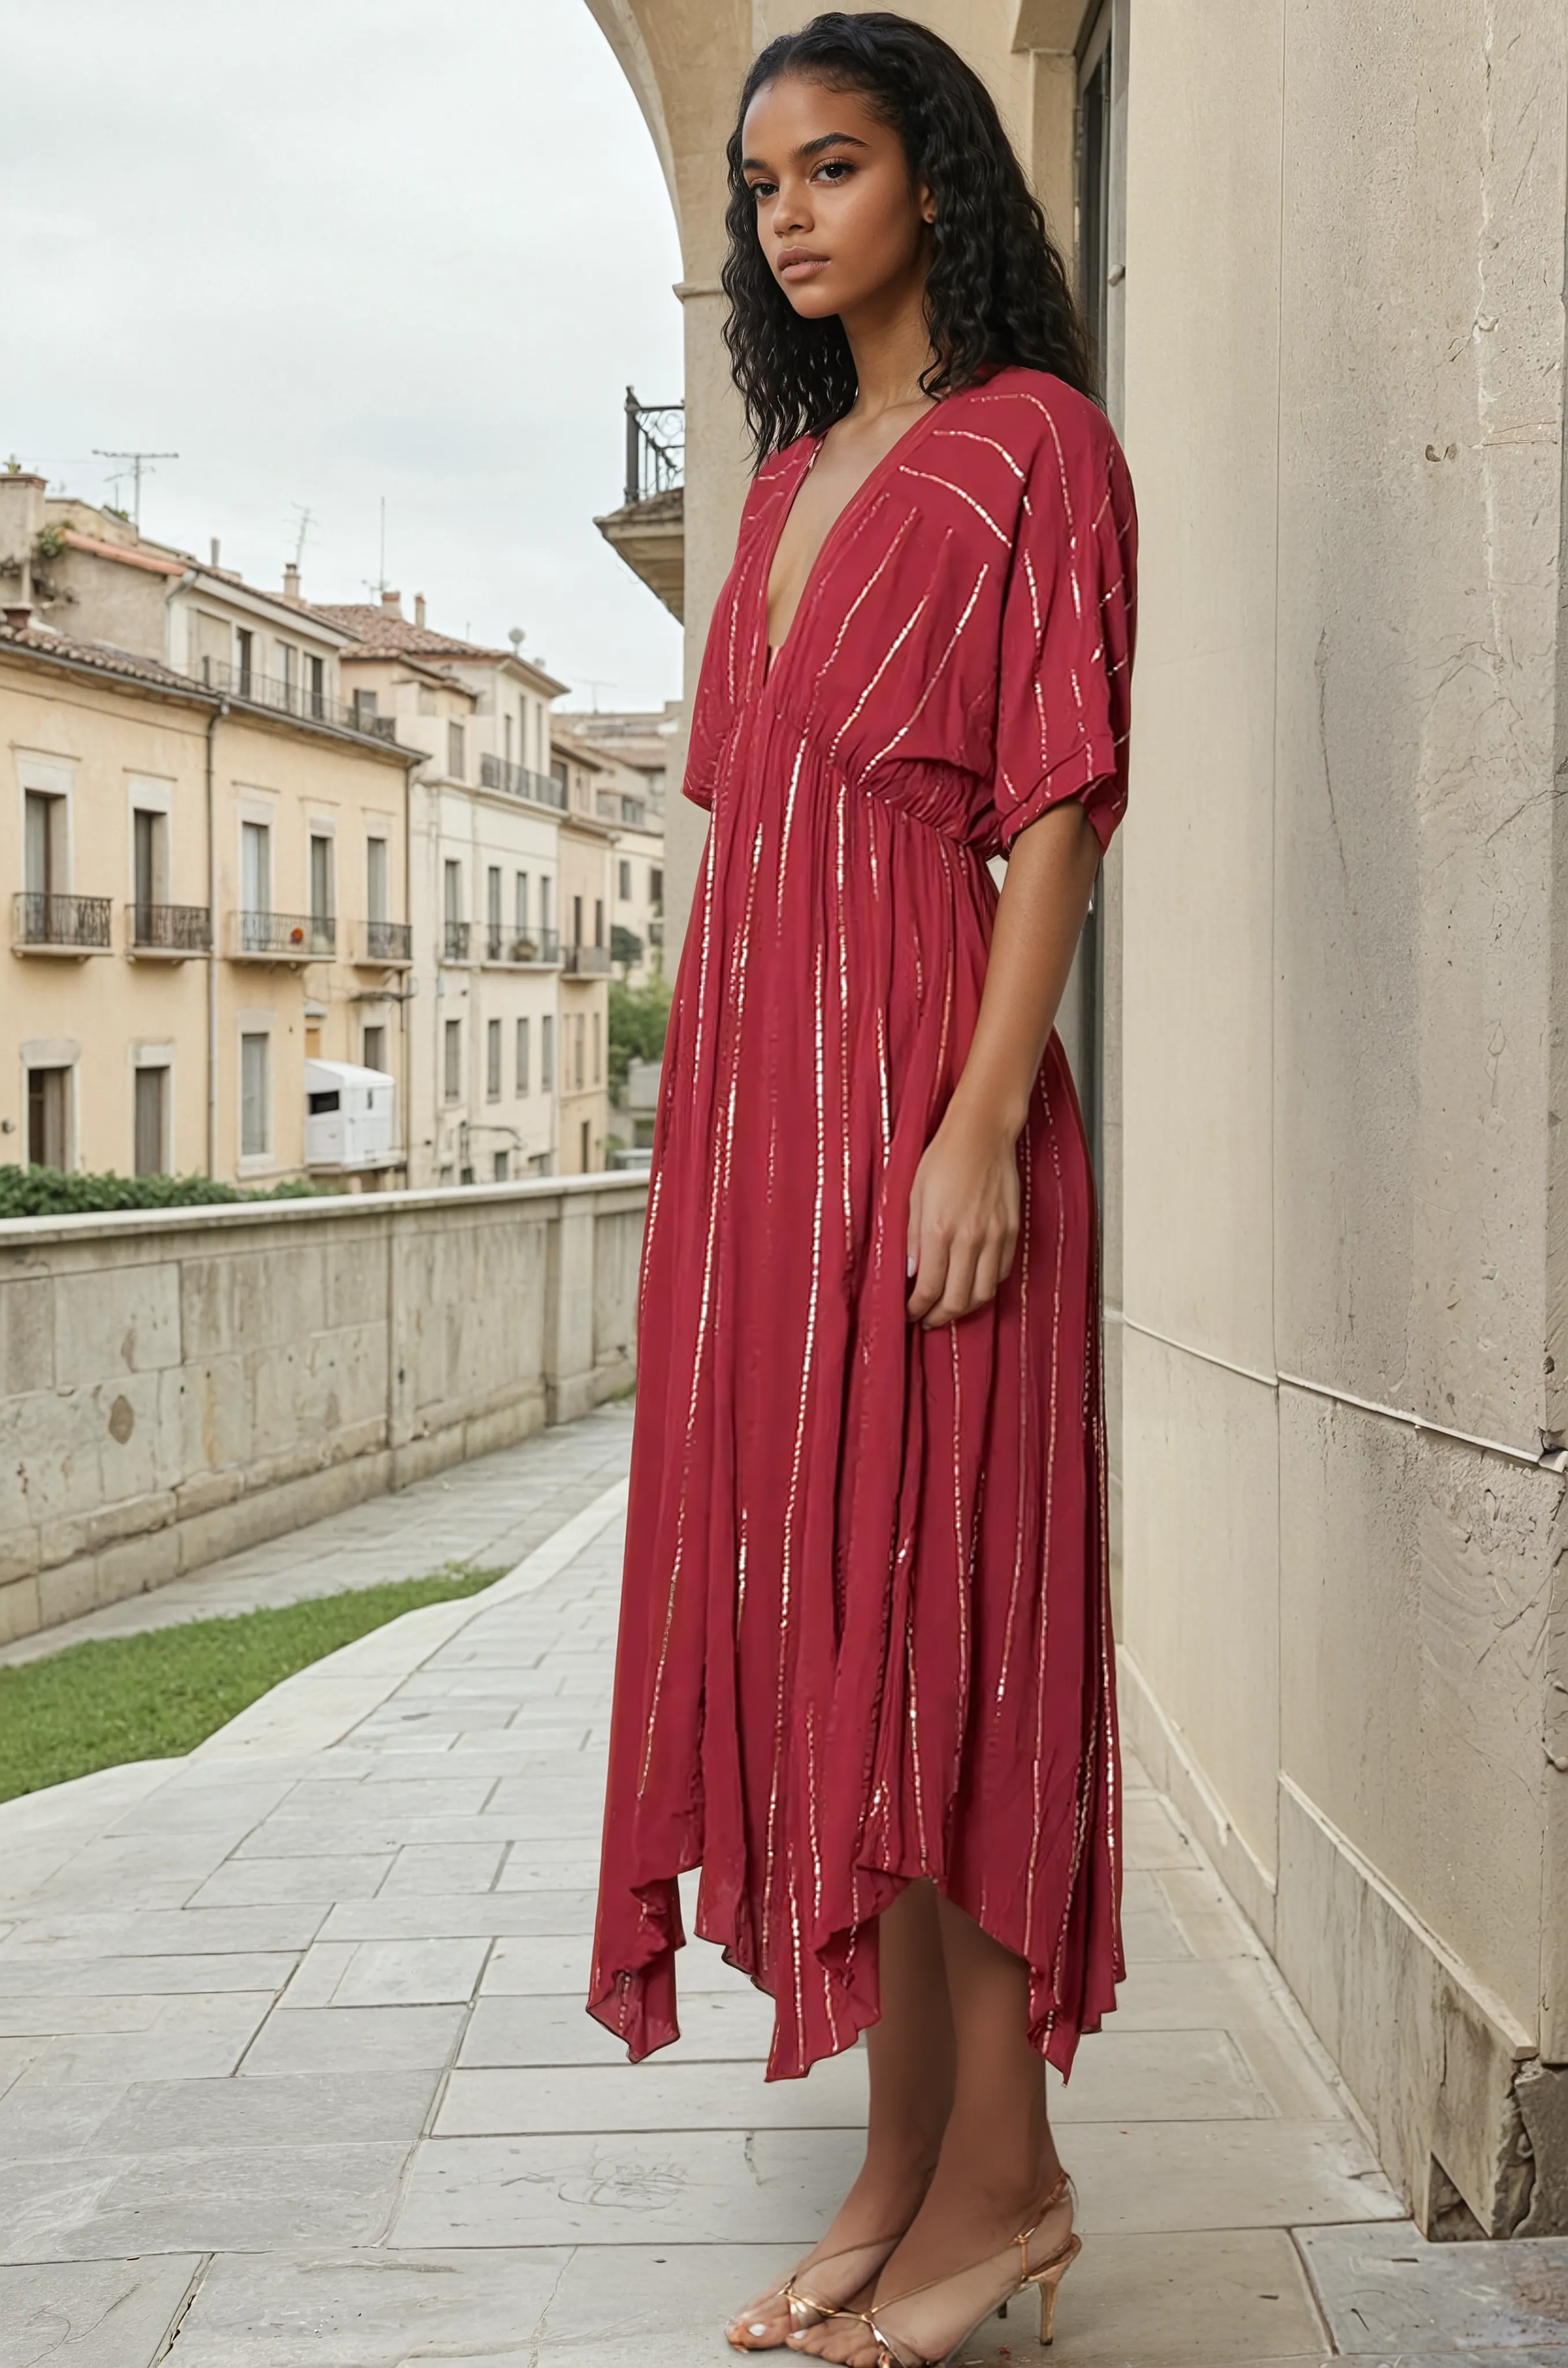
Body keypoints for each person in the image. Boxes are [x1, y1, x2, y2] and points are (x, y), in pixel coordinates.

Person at [588, 13, 1137, 2363]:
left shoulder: (1044, 451)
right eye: (765, 182)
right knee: (851, 1650)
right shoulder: (796, 475)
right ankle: (902, 2162)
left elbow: (1056, 814)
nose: (793, 210)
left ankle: (1009, 2183)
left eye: (836, 163)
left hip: (937, 1103)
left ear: (942, 181)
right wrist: (711, 1170)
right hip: (763, 1126)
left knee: (968, 1636)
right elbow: (759, 840)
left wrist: (986, 1124)